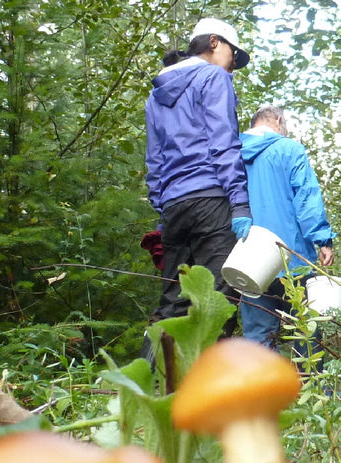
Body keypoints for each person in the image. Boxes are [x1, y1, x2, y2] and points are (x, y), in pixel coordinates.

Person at [142, 18, 253, 357]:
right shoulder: (214, 77)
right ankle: (206, 400)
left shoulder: (157, 94)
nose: (233, 65)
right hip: (211, 198)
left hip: (175, 206)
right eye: (234, 55)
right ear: (215, 42)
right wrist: (240, 203)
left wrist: (165, 209)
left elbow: (154, 160)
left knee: (173, 300)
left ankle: (148, 390)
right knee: (219, 300)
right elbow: (223, 143)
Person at [239, 105, 336, 358]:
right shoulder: (289, 149)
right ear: (279, 121)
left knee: (258, 336)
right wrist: (322, 239)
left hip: (248, 258)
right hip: (293, 257)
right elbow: (306, 198)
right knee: (306, 329)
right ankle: (314, 393)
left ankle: (262, 396)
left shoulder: (231, 153)